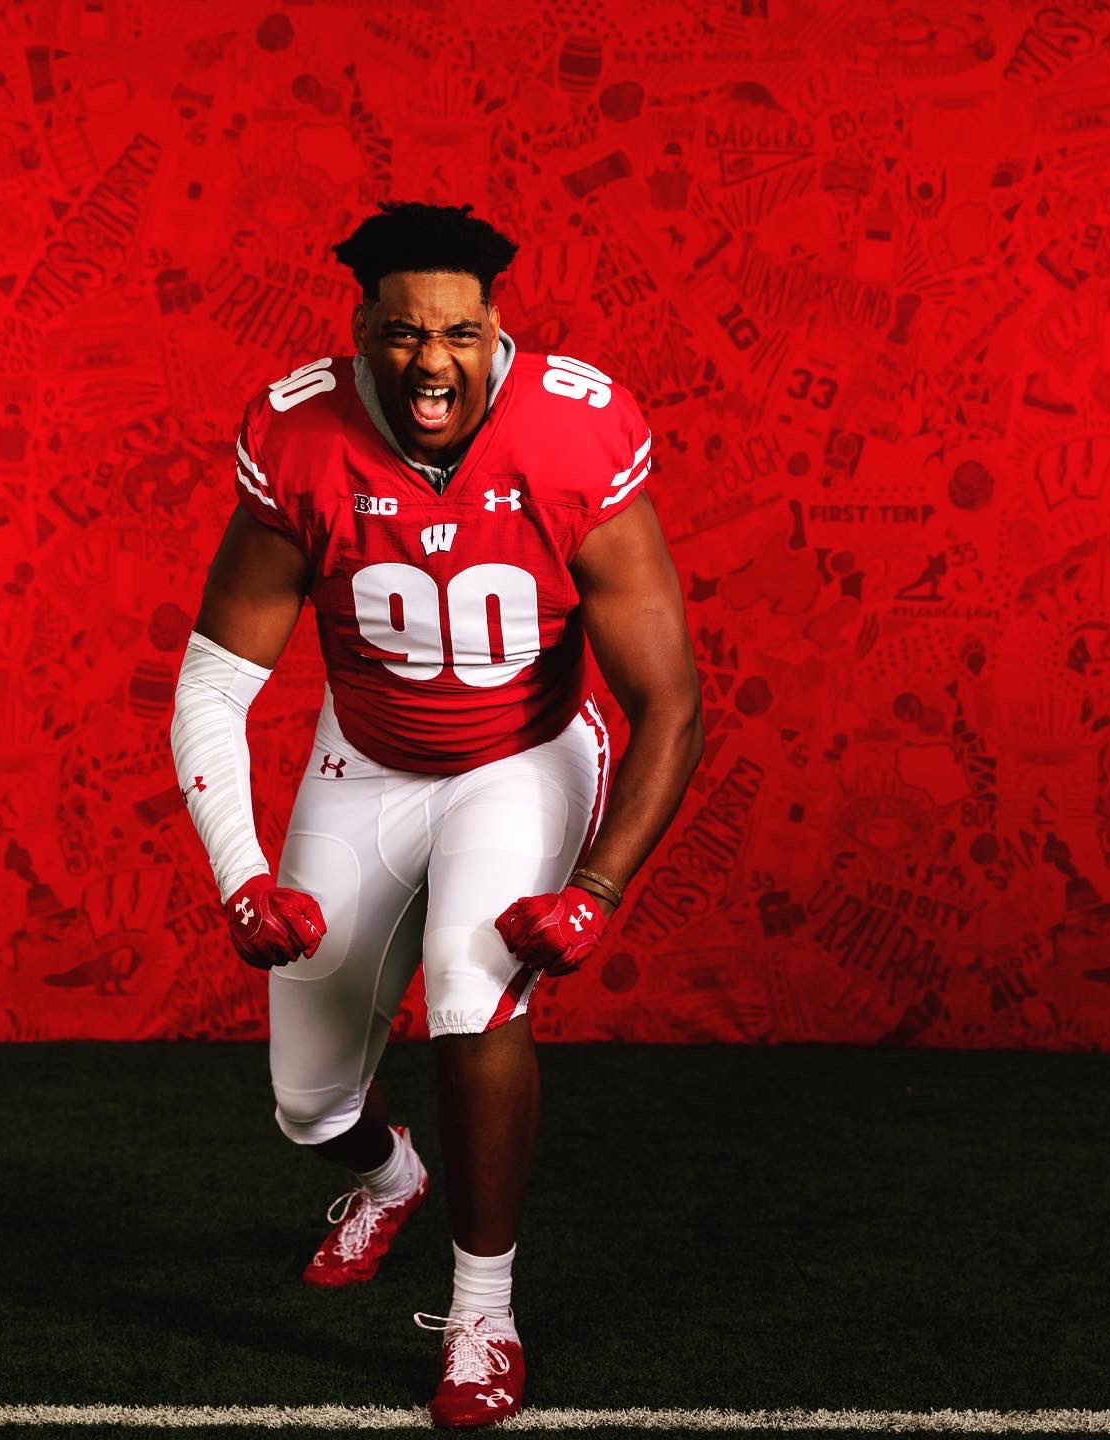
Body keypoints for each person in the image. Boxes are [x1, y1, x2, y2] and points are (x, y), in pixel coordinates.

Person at [170, 200, 702, 1428]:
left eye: (459, 332)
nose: (432, 361)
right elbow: (213, 683)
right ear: (363, 329)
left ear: (496, 325)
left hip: (521, 756)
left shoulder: (573, 430)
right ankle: (390, 1178)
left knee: (472, 998)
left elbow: (668, 701)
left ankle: (482, 1313)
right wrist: (241, 875)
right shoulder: (299, 434)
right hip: (365, 761)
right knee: (308, 1105)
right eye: (406, 332)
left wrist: (598, 887)